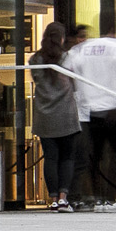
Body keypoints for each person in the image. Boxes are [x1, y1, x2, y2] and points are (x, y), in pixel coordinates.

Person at [62, 20, 116, 208]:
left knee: (92, 157)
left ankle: (95, 197)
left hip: (88, 111)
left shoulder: (79, 50)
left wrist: (78, 97)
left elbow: (65, 75)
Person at [28, 18, 87, 210]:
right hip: (66, 114)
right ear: (61, 38)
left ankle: (52, 199)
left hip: (44, 116)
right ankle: (63, 198)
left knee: (50, 158)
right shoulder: (67, 58)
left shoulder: (35, 59)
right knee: (68, 157)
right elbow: (76, 82)